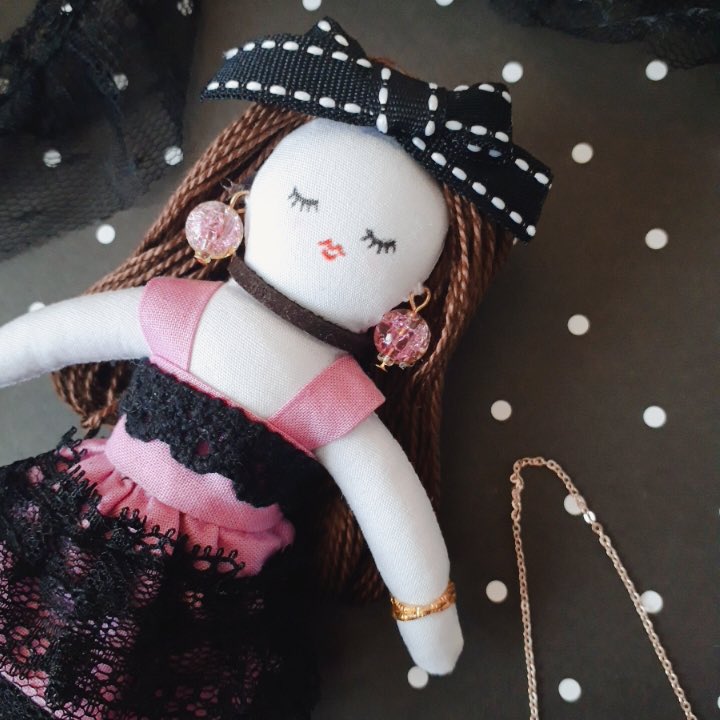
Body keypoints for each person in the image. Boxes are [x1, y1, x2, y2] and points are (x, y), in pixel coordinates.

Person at [0, 18, 551, 719]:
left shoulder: (333, 394)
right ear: (243, 194)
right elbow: (47, 339)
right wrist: (427, 616)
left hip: (214, 588)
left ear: (417, 296)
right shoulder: (183, 310)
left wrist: (425, 607)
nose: (331, 245)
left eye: (378, 243)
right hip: (93, 513)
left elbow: (390, 503)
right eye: (305, 202)